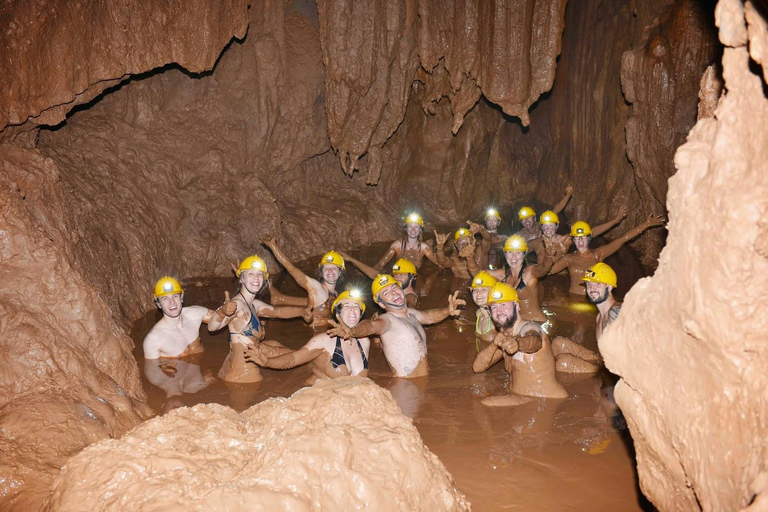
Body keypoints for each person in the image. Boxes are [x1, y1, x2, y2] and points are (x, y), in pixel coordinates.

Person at [472, 283, 601, 406]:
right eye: (494, 307)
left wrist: (518, 343)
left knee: (485, 404)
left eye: (504, 305)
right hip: (525, 398)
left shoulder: (529, 328)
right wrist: (494, 345)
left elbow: (535, 341)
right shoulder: (505, 337)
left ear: (517, 306)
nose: (499, 311)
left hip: (542, 400)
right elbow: (478, 368)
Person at [328, 274, 465, 378]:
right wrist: (352, 331)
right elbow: (371, 326)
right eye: (386, 293)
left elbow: (429, 316)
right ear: (381, 304)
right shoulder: (388, 320)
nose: (393, 293)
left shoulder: (411, 314)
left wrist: (447, 311)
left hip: (422, 382)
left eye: (394, 288)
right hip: (407, 387)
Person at [207, 255, 309, 383]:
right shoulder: (237, 305)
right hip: (244, 368)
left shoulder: (254, 303)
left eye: (260, 274)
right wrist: (222, 312)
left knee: (280, 347)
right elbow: (212, 327)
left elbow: (277, 312)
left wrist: (302, 311)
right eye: (250, 274)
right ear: (241, 279)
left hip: (251, 352)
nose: (256, 278)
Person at [255, 290, 371, 385]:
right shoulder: (325, 340)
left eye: (356, 306)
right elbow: (294, 359)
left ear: (360, 314)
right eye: (346, 306)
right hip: (317, 396)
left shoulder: (364, 341)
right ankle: (267, 349)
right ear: (338, 313)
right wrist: (268, 363)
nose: (352, 310)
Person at [548, 213, 666, 295]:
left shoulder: (598, 254)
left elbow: (622, 239)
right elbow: (547, 271)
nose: (580, 241)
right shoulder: (568, 258)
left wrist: (646, 224)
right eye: (577, 238)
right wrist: (550, 255)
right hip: (572, 299)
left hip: (592, 300)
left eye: (583, 238)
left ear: (589, 238)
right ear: (573, 240)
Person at [264, 236, 345, 328]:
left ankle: (279, 298)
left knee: (310, 302)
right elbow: (292, 269)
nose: (330, 271)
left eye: (334, 268)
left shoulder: (335, 293)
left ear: (340, 273)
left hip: (325, 331)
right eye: (326, 268)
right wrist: (273, 246)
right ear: (321, 273)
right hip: (313, 333)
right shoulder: (316, 288)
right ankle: (278, 298)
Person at [143, 276, 225, 360]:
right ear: (158, 304)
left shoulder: (196, 313)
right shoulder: (153, 340)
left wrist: (224, 311)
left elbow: (222, 318)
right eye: (165, 299)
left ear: (181, 297)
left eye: (175, 296)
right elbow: (152, 370)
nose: (172, 302)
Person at [484, 235, 554, 322]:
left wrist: (549, 256)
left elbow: (543, 268)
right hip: (517, 323)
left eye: (518, 253)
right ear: (505, 254)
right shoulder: (502, 274)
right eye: (510, 252)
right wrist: (469, 258)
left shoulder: (530, 273)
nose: (514, 257)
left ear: (524, 255)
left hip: (536, 322)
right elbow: (481, 275)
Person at [528, 207, 629, 264]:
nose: (548, 229)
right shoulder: (534, 243)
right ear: (541, 227)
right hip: (541, 279)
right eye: (545, 226)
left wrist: (615, 221)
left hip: (560, 278)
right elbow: (518, 252)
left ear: (557, 226)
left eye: (551, 226)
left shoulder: (565, 240)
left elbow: (592, 232)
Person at [339, 252, 420, 308]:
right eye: (395, 274)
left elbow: (411, 308)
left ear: (412, 277)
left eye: (402, 274)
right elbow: (375, 275)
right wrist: (351, 259)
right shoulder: (395, 288)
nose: (397, 277)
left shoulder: (410, 297)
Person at [374, 213, 441, 270]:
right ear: (406, 229)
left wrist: (440, 247)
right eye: (410, 226)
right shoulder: (397, 246)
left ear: (420, 230)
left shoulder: (424, 248)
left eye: (416, 227)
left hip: (415, 277)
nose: (413, 230)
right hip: (398, 275)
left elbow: (440, 263)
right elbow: (381, 264)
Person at [582, 262, 623, 340]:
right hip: (605, 352)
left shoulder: (616, 312)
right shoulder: (599, 317)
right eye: (589, 284)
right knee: (559, 343)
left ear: (610, 287)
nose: (592, 288)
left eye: (598, 284)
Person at [469, 271, 498, 343]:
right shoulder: (478, 313)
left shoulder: (497, 319)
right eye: (475, 290)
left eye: (484, 289)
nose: (478, 293)